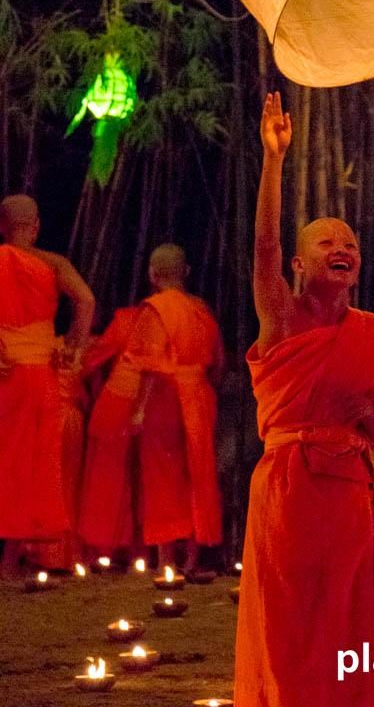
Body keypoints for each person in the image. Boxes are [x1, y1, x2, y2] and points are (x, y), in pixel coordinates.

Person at [234, 93, 374, 707]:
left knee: (350, 614)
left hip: (348, 489)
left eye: (348, 243)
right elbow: (263, 250)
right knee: (292, 619)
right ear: (299, 263)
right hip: (289, 487)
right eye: (326, 242)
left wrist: (372, 431)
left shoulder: (373, 335)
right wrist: (274, 162)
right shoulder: (282, 319)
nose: (341, 248)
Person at [79, 244, 224, 572]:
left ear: (152, 274)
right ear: (186, 272)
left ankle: (167, 559)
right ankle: (193, 557)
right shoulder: (202, 310)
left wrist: (140, 409)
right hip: (198, 397)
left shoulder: (155, 309)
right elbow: (217, 362)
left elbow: (150, 364)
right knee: (196, 476)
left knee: (161, 476)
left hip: (165, 398)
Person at [0, 194, 95, 577]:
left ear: (2, 227)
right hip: (39, 373)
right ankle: (9, 560)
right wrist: (72, 346)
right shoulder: (53, 264)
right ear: (36, 226)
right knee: (28, 463)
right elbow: (86, 301)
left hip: (5, 369)